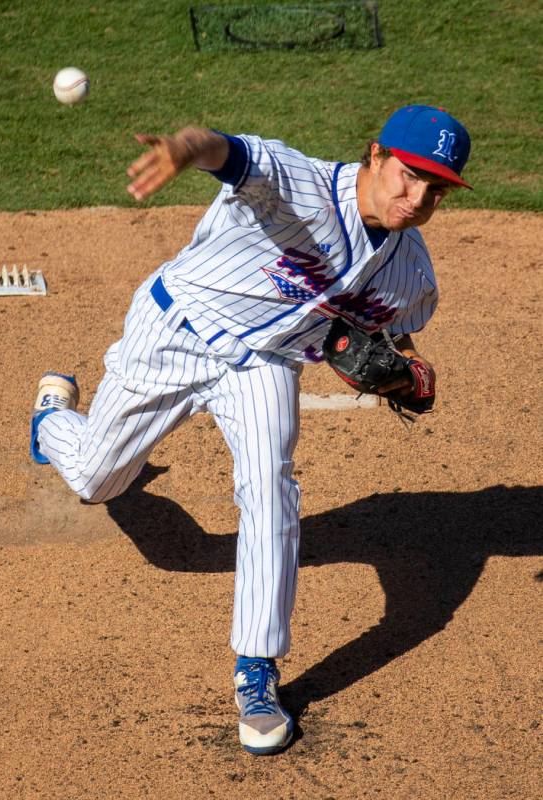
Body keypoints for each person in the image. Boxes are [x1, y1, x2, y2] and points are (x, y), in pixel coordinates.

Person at [30, 104, 472, 755]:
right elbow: (231, 152)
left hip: (261, 365)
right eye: (409, 175)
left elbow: (393, 336)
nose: (417, 197)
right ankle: (50, 420)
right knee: (97, 479)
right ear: (374, 155)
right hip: (176, 332)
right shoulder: (303, 186)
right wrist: (185, 148)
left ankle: (255, 673)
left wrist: (411, 375)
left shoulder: (413, 273)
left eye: (436, 188)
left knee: (271, 486)